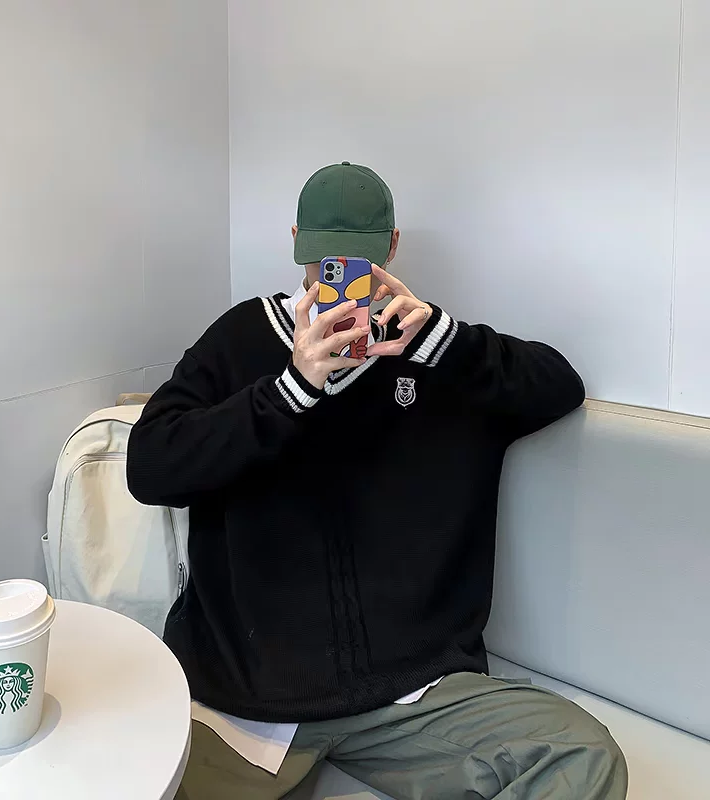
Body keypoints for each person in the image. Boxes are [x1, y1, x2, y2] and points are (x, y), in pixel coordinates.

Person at [127, 162, 627, 799]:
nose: (337, 280)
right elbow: (150, 466)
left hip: (413, 696)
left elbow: (560, 385)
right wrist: (288, 392)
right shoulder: (240, 340)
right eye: (323, 262)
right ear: (295, 243)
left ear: (390, 248)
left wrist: (444, 340)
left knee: (584, 754)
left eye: (355, 262)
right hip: (248, 698)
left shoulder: (441, 353)